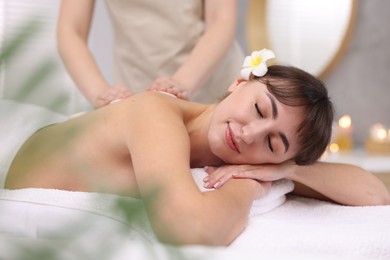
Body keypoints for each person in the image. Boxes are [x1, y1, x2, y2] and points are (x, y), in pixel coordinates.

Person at [5, 61, 390, 246]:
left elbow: (374, 194)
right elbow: (189, 227)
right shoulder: (156, 112)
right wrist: (249, 187)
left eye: (273, 143)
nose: (250, 133)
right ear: (239, 83)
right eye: (259, 109)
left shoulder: (254, 160)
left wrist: (287, 170)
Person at [57, 0, 243, 108]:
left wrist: (179, 85)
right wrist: (101, 94)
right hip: (137, 93)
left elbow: (221, 19)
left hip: (213, 88)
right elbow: (71, 29)